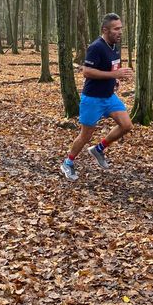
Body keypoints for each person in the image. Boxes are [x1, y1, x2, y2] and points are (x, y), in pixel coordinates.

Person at [61, 13, 134, 181]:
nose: (119, 32)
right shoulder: (96, 47)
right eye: (116, 29)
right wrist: (114, 74)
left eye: (121, 28)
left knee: (126, 125)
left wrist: (116, 79)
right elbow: (86, 71)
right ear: (105, 30)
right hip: (93, 98)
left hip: (109, 97)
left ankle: (99, 149)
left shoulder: (114, 46)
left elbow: (111, 68)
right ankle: (68, 162)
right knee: (85, 136)